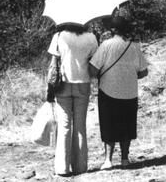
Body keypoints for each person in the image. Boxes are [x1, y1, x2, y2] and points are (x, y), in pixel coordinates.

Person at [89, 11, 148, 169]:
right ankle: (124, 158)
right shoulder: (134, 46)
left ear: (113, 30)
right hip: (130, 91)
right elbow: (143, 72)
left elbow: (93, 70)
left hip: (108, 90)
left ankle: (108, 160)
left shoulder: (106, 45)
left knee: (109, 125)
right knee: (127, 125)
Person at [47, 22, 99, 176]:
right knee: (80, 125)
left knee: (64, 126)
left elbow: (53, 63)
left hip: (63, 83)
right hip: (83, 82)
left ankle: (62, 168)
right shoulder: (91, 38)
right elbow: (94, 61)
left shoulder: (58, 36)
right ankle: (80, 166)